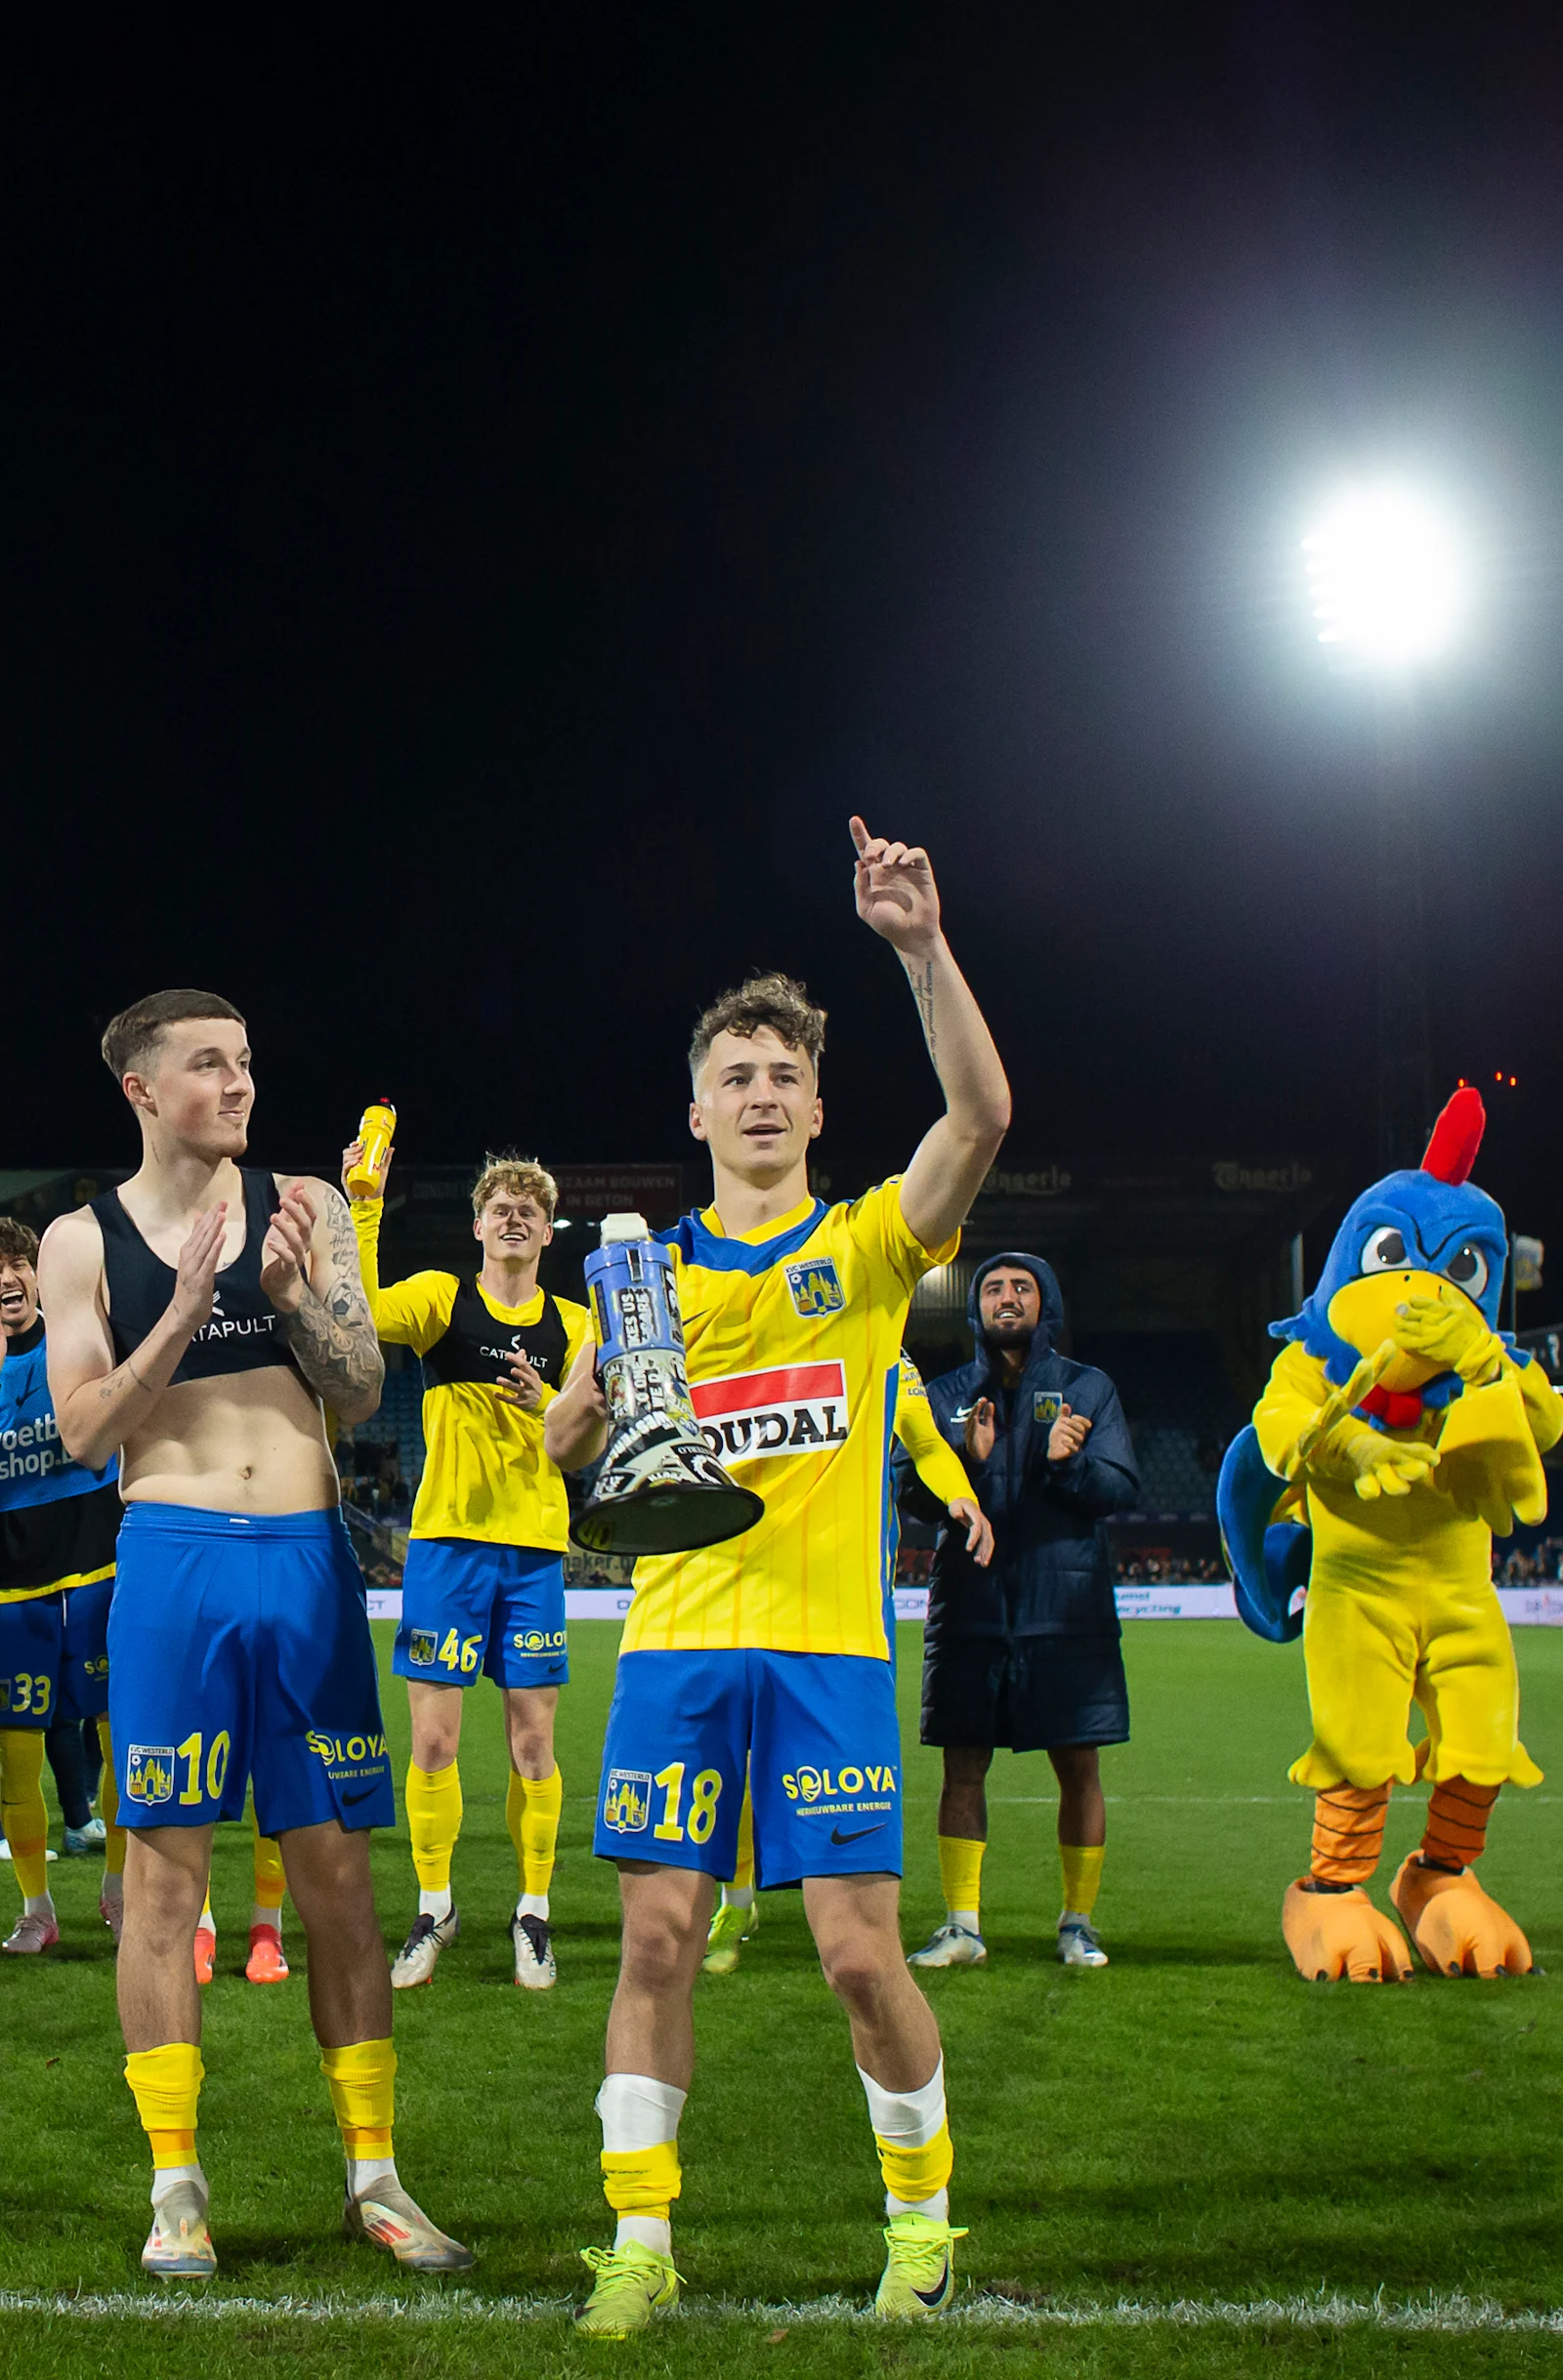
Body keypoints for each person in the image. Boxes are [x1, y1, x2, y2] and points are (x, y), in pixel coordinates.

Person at [541, 823, 1010, 2337]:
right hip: (675, 1645)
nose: (759, 1093)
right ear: (696, 1107)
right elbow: (565, 1449)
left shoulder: (871, 1245)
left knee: (860, 1953)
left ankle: (923, 2222)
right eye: (733, 1075)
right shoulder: (641, 1274)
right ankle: (640, 2240)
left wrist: (918, 947)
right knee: (658, 1937)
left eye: (782, 1075)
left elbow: (984, 1112)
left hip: (824, 1650)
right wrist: (594, 1400)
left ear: (818, 1102)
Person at [38, 990, 467, 2282]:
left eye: (245, 1060)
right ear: (141, 1087)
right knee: (165, 1883)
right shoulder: (81, 1238)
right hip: (170, 1564)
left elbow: (360, 1386)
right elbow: (82, 1428)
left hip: (304, 1560)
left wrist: (287, 1294)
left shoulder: (308, 1205)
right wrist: (177, 1307)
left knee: (338, 1879)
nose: (238, 1082)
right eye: (208, 1063)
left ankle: (376, 2178)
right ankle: (177, 2185)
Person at [344, 1140, 594, 1993]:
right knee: (434, 1739)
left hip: (533, 1551)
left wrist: (554, 1402)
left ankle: (534, 1911)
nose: (515, 1214)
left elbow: (608, 1423)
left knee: (533, 1744)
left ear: (549, 1229)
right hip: (447, 1545)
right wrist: (365, 1203)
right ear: (478, 1223)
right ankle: (436, 1903)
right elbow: (364, 1308)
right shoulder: (442, 1301)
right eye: (501, 1204)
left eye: (531, 1204)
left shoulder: (578, 1326)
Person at [702, 1358, 989, 1976]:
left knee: (841, 1767)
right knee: (745, 1751)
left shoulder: (885, 1355)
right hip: (748, 1579)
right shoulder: (752, 1332)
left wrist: (960, 1494)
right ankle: (738, 1902)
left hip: (851, 1601)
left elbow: (927, 1442)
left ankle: (846, 1916)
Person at [912, 1252, 1139, 1972]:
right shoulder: (944, 1394)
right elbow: (908, 1494)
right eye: (992, 1288)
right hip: (970, 1607)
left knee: (1078, 1766)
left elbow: (1119, 1487)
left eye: (1022, 1287)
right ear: (973, 1308)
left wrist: (1069, 1459)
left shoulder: (1087, 1390)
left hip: (1065, 1610)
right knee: (963, 1765)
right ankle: (963, 1926)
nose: (1006, 1298)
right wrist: (963, 1456)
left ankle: (1079, 1923)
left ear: (1048, 1303)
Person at [0, 1217, 125, 1954]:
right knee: (15, 1754)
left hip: (99, 1564)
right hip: (12, 1582)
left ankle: (117, 1886)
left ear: (39, 1276)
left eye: (18, 1263)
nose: (6, 1277)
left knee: (119, 1736)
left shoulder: (83, 1338)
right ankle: (36, 1907)